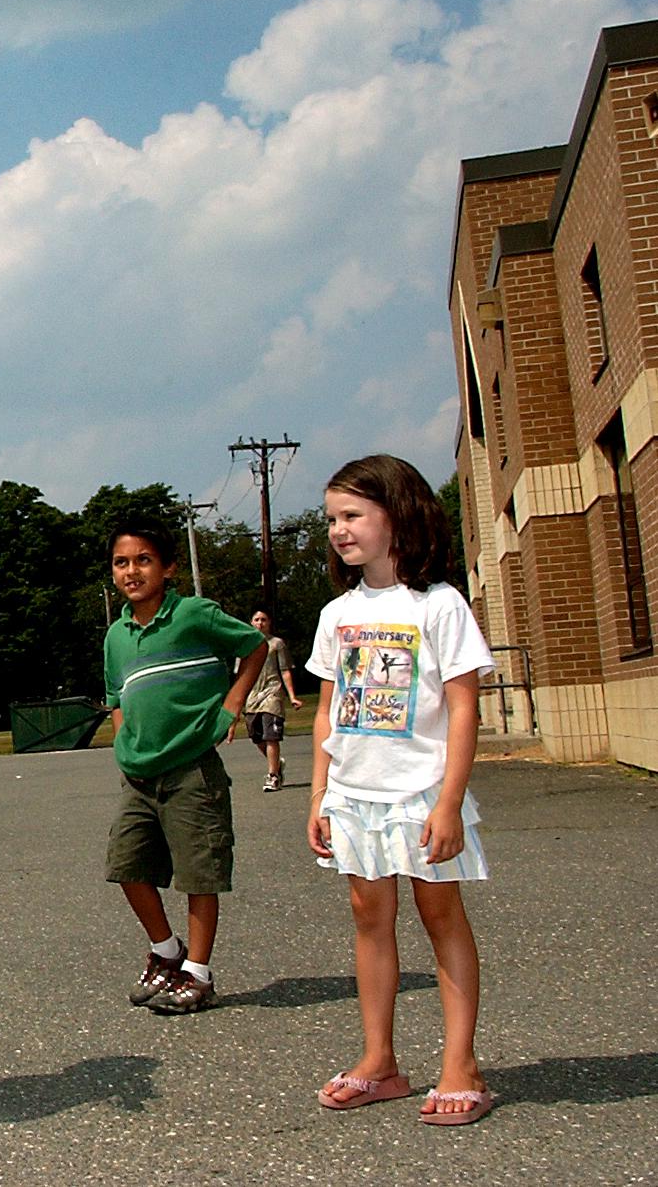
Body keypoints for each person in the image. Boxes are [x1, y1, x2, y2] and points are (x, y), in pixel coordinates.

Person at [306, 455, 496, 1127]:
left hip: (421, 792)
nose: (338, 529)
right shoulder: (337, 614)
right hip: (355, 795)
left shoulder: (439, 605)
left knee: (439, 915)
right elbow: (328, 710)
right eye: (331, 518)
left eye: (352, 515)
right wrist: (320, 795)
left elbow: (464, 707)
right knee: (369, 917)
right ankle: (379, 1060)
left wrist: (448, 801)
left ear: (399, 516)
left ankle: (460, 1063)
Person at [103, 524, 267, 1014]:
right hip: (139, 774)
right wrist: (123, 735)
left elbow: (254, 645)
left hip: (191, 769)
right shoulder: (116, 635)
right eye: (121, 562)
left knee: (199, 872)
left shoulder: (194, 615)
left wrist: (232, 703)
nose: (132, 571)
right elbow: (117, 695)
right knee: (126, 865)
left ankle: (197, 972)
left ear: (169, 568)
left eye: (144, 559)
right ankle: (166, 951)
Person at [228, 609, 302, 791]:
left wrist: (292, 696)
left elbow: (285, 670)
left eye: (264, 620)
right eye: (256, 619)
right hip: (253, 696)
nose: (260, 623)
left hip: (272, 693)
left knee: (271, 736)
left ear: (269, 623)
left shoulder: (276, 644)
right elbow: (240, 674)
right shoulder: (244, 645)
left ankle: (273, 775)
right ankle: (277, 763)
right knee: (256, 735)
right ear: (251, 622)